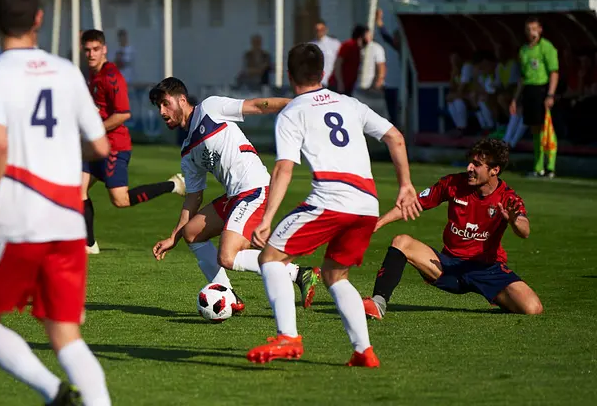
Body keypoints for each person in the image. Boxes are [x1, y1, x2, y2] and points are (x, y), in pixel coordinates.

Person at [0, 0, 111, 405]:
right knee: (66, 335)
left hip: (20, 218)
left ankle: (53, 393)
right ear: (40, 19)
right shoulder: (67, 72)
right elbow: (100, 145)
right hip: (67, 223)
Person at [247, 43, 421, 367]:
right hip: (367, 205)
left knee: (270, 258)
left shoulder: (292, 112)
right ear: (323, 72)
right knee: (335, 276)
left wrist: (267, 217)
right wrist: (405, 185)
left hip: (331, 199)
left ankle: (288, 337)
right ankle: (363, 351)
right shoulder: (350, 104)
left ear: (289, 75)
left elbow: (285, 167)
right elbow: (395, 137)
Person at [149, 77, 322, 312]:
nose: (162, 111)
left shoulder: (209, 109)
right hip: (234, 196)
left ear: (182, 99)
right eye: (158, 106)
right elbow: (193, 197)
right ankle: (227, 295)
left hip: (254, 189)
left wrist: (295, 104)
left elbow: (256, 105)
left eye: (165, 103)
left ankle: (299, 273)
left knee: (228, 257)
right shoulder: (187, 150)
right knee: (192, 233)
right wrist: (174, 236)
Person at [363, 138, 543, 319]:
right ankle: (378, 304)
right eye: (470, 162)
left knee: (532, 308)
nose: (469, 168)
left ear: (494, 170)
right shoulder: (453, 183)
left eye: (477, 164)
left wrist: (514, 221)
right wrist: (378, 222)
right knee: (401, 242)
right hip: (447, 266)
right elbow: (414, 203)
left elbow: (524, 230)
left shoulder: (507, 198)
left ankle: (498, 295)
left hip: (487, 269)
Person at [80, 29, 185, 255]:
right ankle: (88, 244)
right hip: (95, 146)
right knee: (76, 191)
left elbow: (123, 114)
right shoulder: (91, 74)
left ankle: (173, 184)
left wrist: (93, 129)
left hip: (114, 147)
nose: (91, 54)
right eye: (87, 49)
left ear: (104, 49)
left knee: (121, 200)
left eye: (96, 49)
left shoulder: (112, 76)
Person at [510, 17, 559, 178]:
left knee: (548, 129)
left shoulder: (547, 47)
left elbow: (554, 72)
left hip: (542, 90)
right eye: (528, 29)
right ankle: (538, 167)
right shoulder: (523, 50)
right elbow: (523, 77)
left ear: (540, 30)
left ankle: (550, 166)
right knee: (535, 130)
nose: (531, 32)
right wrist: (515, 99)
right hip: (529, 90)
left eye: (533, 28)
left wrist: (550, 94)